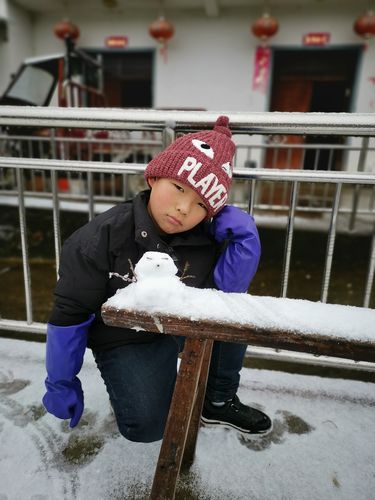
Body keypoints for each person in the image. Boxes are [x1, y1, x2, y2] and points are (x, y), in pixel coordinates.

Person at [42, 115, 272, 442]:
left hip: (180, 322)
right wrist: (61, 381)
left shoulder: (207, 234)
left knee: (232, 317)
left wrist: (244, 241)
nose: (181, 208)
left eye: (199, 204)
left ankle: (217, 400)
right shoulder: (100, 238)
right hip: (124, 336)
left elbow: (226, 296)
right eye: (178, 188)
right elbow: (71, 312)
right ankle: (150, 376)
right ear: (155, 178)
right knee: (148, 428)